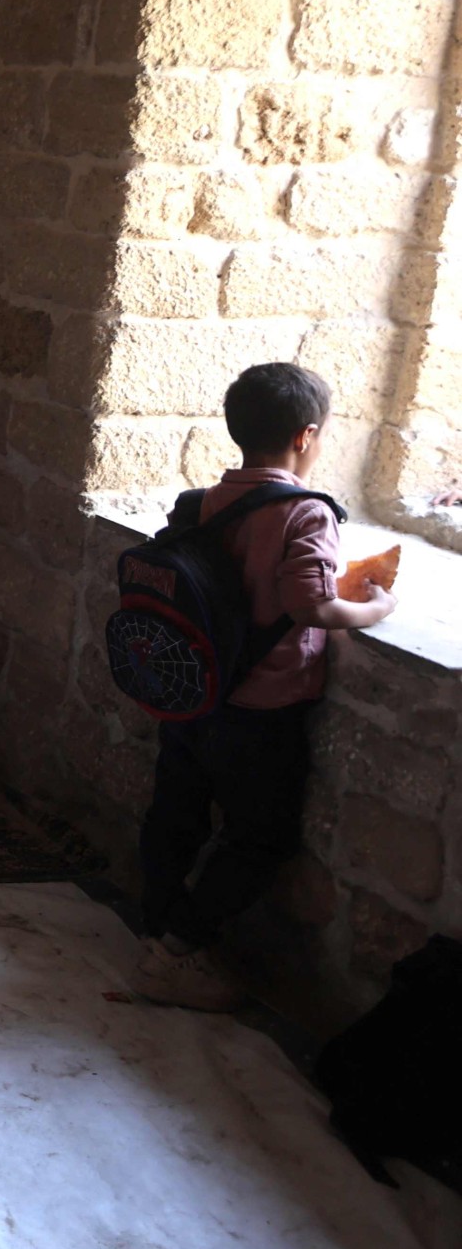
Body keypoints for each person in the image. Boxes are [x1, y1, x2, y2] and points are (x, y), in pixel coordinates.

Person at [131, 364, 396, 1010]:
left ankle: (153, 922)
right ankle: (177, 949)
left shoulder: (204, 502)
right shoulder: (307, 512)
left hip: (194, 693)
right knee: (261, 838)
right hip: (262, 709)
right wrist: (375, 608)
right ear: (307, 436)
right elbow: (310, 605)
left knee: (176, 813)